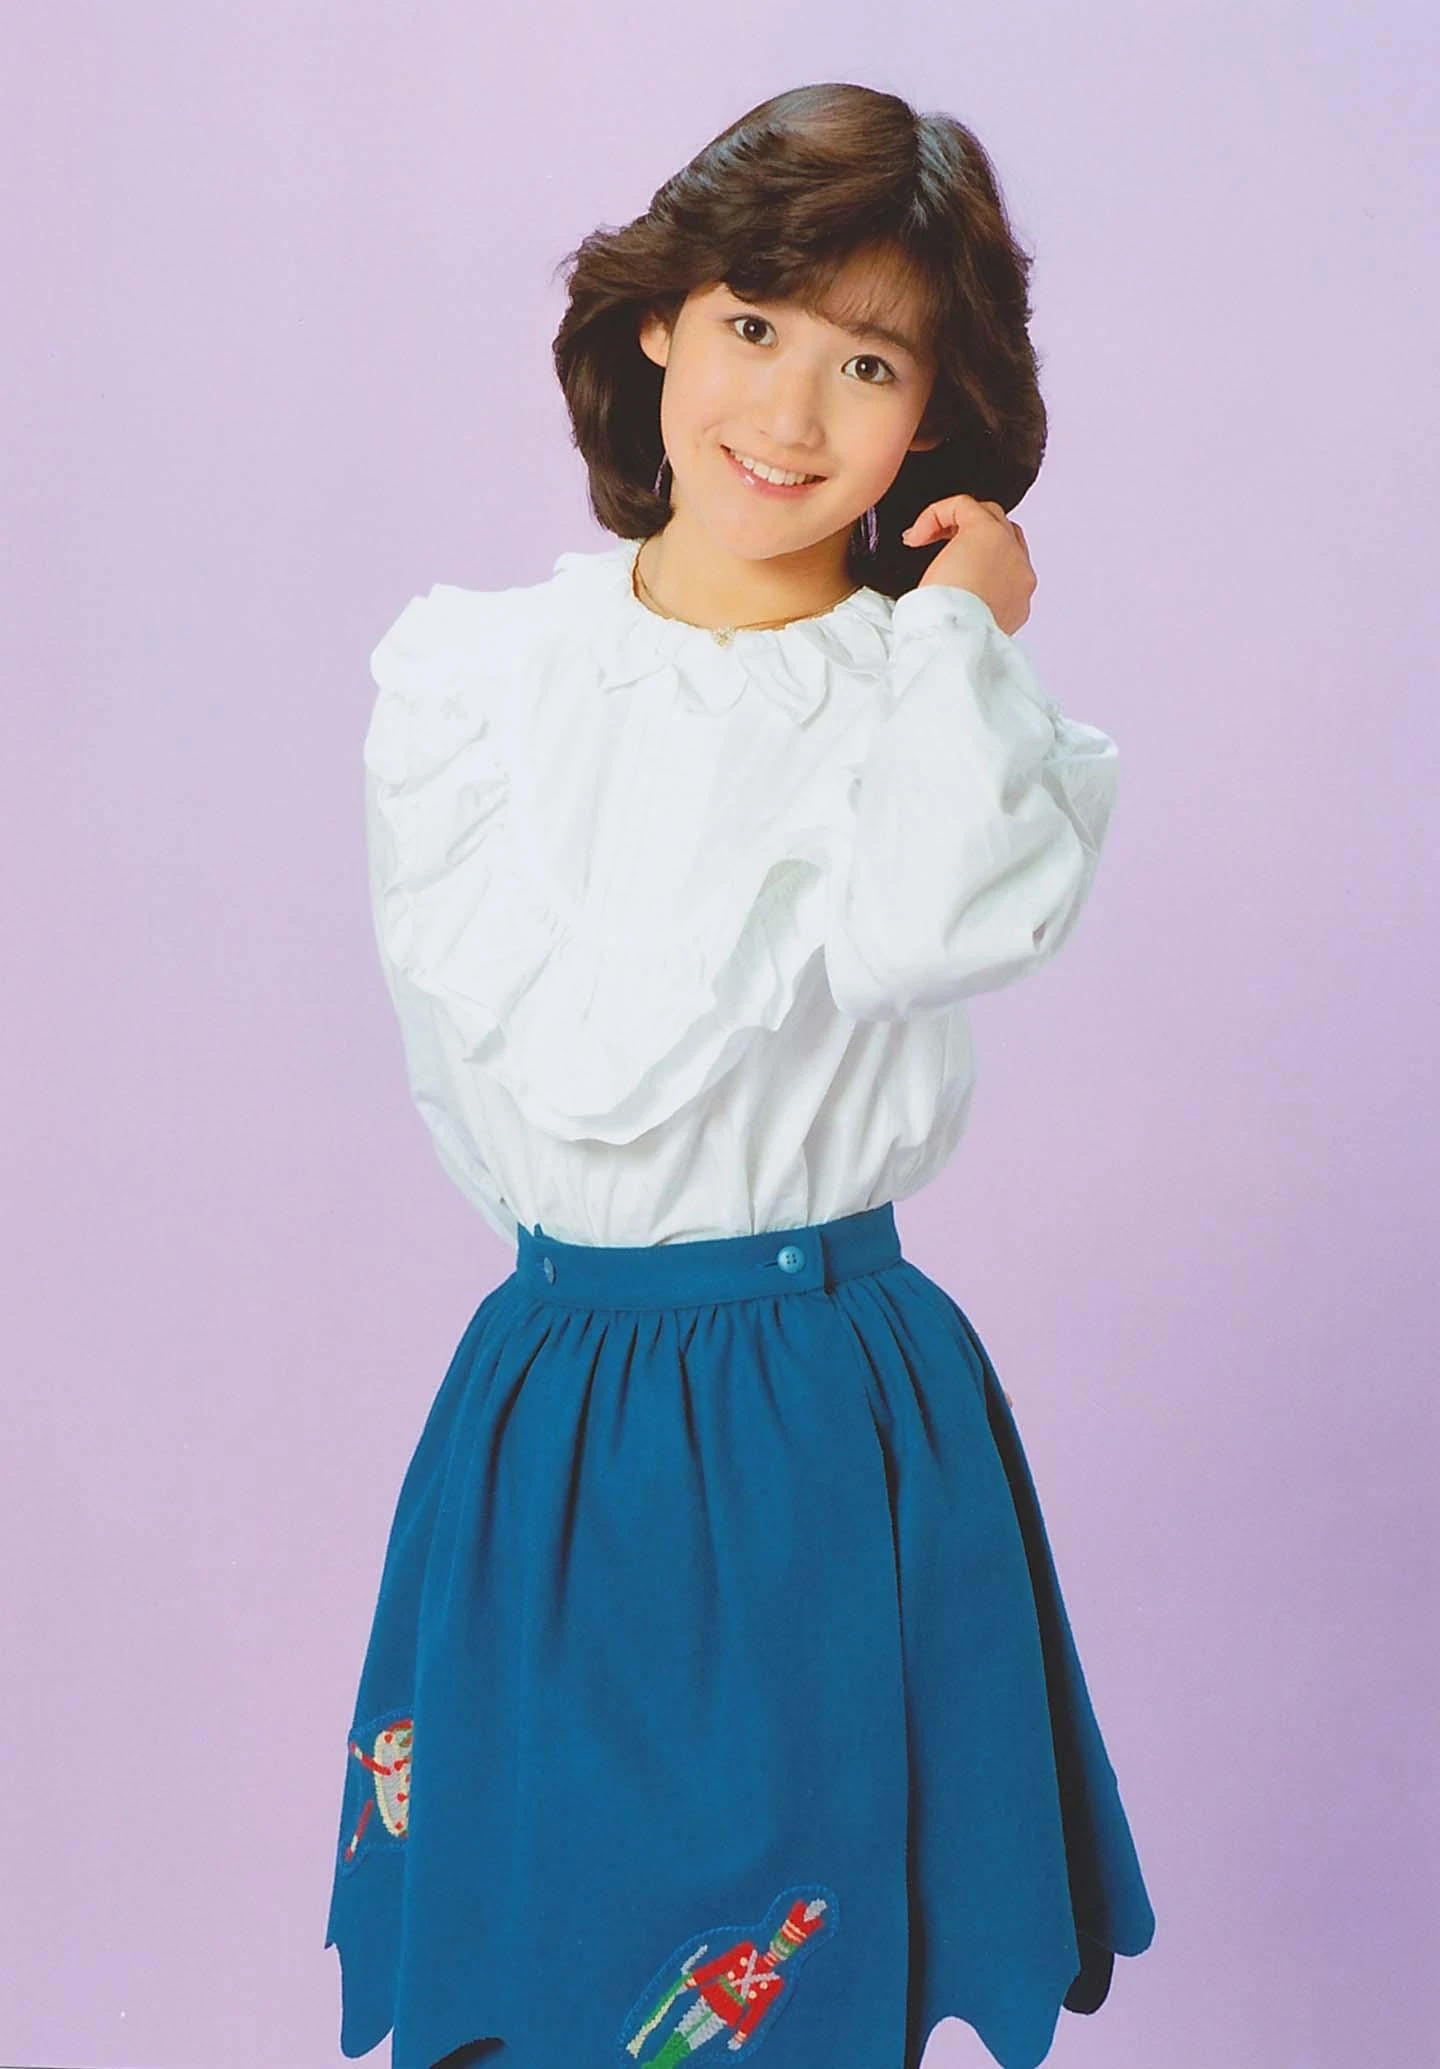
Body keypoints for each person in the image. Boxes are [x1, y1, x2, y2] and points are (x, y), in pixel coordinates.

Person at [323, 80, 1156, 2069]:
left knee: (802, 1978)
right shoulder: (476, 681)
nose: (788, 411)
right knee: (533, 1974)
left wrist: (955, 638)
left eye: (867, 361)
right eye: (754, 324)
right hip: (549, 1396)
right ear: (659, 321)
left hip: (819, 1397)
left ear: (931, 416)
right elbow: (473, 1061)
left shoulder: (930, 697)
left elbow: (931, 929)